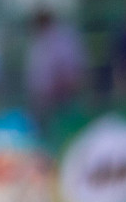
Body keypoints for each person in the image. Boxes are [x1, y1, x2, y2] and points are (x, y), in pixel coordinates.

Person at [25, 7, 87, 137]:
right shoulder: (39, 41)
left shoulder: (61, 39)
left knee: (66, 132)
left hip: (62, 98)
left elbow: (70, 69)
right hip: (45, 100)